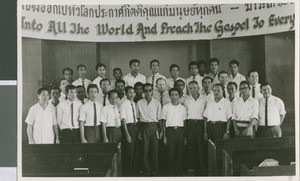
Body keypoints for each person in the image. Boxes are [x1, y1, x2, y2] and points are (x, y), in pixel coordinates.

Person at [136, 83, 162, 176]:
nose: (148, 92)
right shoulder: (139, 103)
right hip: (144, 127)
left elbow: (160, 119)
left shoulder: (157, 103)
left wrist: (161, 130)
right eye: (146, 90)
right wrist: (139, 131)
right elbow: (138, 118)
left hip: (154, 127)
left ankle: (155, 171)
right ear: (143, 91)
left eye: (150, 90)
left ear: (152, 91)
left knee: (154, 150)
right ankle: (147, 171)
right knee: (144, 150)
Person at [184, 81, 207, 176]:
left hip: (201, 124)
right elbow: (185, 115)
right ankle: (195, 170)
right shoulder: (186, 100)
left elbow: (206, 114)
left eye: (194, 87)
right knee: (192, 147)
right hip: (191, 124)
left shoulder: (204, 99)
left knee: (201, 147)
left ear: (198, 88)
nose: (192, 90)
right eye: (190, 88)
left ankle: (203, 170)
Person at [162, 88, 187, 176]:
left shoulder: (182, 108)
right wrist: (164, 136)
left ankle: (178, 171)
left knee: (179, 152)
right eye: (172, 95)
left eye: (176, 95)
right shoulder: (166, 107)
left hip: (180, 131)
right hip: (170, 131)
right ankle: (171, 172)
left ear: (179, 96)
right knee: (170, 152)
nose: (174, 97)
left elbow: (184, 122)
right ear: (169, 96)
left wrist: (184, 137)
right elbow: (164, 122)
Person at [120, 86, 139, 176]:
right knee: (129, 152)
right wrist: (127, 134)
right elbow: (123, 120)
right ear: (126, 93)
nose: (132, 94)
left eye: (133, 92)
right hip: (128, 128)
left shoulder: (134, 104)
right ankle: (127, 173)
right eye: (129, 92)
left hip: (135, 127)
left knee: (135, 151)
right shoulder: (124, 104)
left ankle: (133, 172)